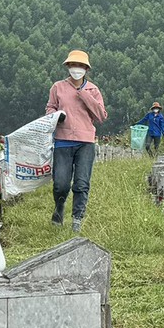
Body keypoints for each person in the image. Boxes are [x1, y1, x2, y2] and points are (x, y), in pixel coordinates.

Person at [47, 49, 107, 232]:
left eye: (80, 66)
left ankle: (77, 219)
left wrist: (84, 94)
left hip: (85, 141)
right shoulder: (58, 87)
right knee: (61, 183)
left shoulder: (93, 89)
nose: (76, 69)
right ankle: (59, 209)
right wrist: (56, 116)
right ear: (68, 67)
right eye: (74, 65)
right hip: (63, 140)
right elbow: (50, 108)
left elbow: (101, 115)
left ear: (86, 69)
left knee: (81, 183)